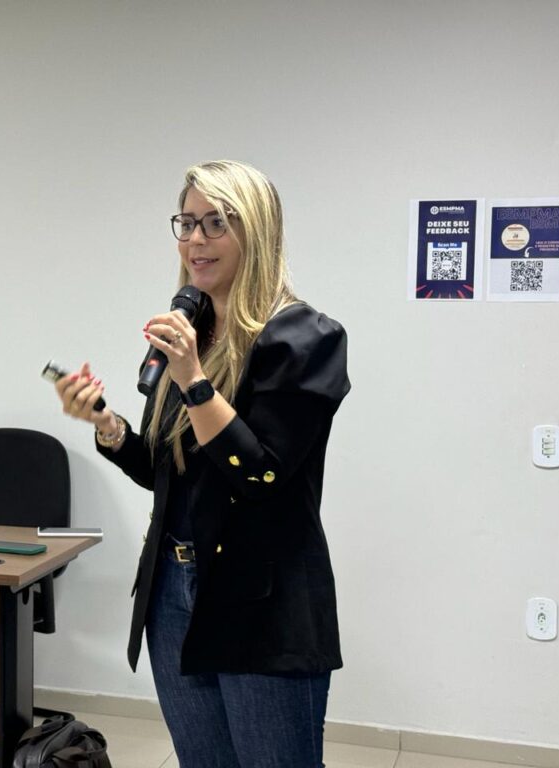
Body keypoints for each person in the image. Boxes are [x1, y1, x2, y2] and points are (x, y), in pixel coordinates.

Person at [53, 160, 350, 768]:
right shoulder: (193, 333)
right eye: (186, 223)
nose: (195, 239)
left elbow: (259, 474)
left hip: (259, 602)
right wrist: (107, 425)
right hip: (171, 591)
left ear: (256, 232)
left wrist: (192, 379)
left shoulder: (305, 338)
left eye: (216, 223)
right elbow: (167, 472)